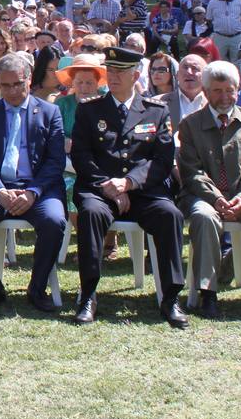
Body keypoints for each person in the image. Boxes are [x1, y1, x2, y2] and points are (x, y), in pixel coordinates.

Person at [71, 47, 188, 328]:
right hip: (101, 189)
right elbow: (81, 155)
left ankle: (170, 297)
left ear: (136, 75)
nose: (113, 77)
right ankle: (88, 294)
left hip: (144, 190)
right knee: (91, 213)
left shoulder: (156, 112)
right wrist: (108, 186)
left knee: (169, 215)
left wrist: (129, 183)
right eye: (110, 71)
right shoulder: (90, 110)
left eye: (120, 72)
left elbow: (161, 159)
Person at [0, 51, 68, 311]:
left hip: (38, 190)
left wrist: (32, 192)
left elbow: (55, 162)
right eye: (5, 85)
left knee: (54, 221)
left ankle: (37, 288)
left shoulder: (49, 112)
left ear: (29, 80)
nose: (11, 91)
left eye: (17, 84)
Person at [177, 61, 241, 320]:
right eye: (217, 91)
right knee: (203, 216)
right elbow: (191, 170)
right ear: (206, 91)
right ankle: (207, 292)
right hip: (205, 195)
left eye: (230, 90)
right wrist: (217, 198)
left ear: (238, 89)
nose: (224, 97)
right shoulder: (190, 124)